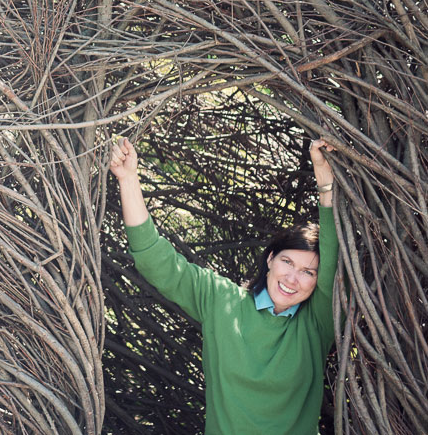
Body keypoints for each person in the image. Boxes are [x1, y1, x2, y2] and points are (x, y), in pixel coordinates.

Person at [110, 137, 338, 435]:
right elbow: (157, 262)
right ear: (270, 259)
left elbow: (334, 259)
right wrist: (128, 179)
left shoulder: (317, 323)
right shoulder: (223, 301)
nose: (292, 278)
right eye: (287, 262)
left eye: (308, 272)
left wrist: (324, 178)